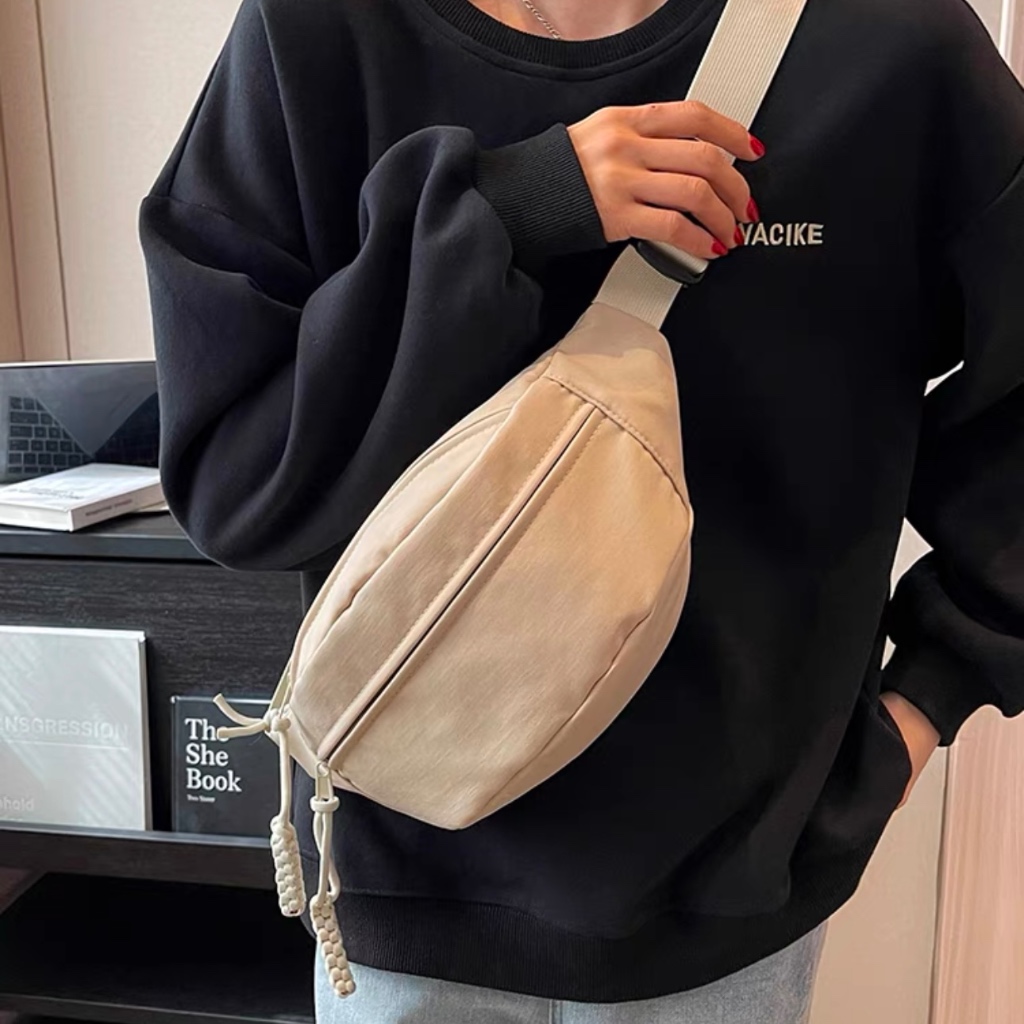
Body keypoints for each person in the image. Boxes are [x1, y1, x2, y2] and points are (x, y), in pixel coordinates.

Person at [138, 0, 1024, 1020]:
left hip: (728, 913)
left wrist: (928, 701)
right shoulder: (316, 32)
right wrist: (508, 210)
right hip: (402, 888)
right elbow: (235, 481)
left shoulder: (889, 43)